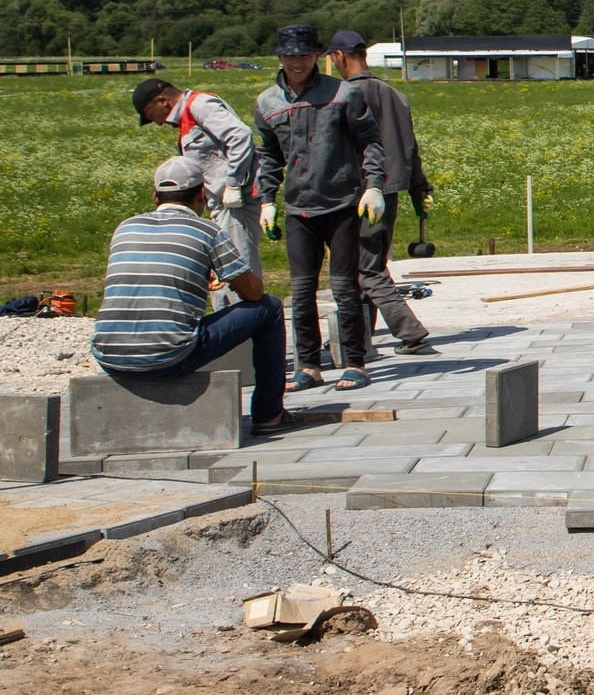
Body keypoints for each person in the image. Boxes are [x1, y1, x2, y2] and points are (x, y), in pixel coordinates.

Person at [91, 154, 294, 432]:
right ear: (202, 194)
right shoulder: (206, 230)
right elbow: (252, 293)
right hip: (168, 356)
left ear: (155, 196)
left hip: (108, 357)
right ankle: (269, 415)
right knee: (270, 308)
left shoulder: (126, 227)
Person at [253, 23, 386, 393]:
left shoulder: (342, 94)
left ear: (317, 57)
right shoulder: (267, 103)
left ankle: (356, 361)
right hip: (298, 208)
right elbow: (267, 155)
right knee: (300, 290)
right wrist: (267, 200)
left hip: (342, 202)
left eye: (304, 55)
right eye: (290, 56)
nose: (297, 63)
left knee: (344, 287)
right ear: (279, 57)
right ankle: (308, 364)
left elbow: (371, 141)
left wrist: (373, 185)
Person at [329, 31, 435, 356]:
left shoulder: (346, 94)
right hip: (392, 192)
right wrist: (420, 190)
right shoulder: (395, 94)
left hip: (363, 192)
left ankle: (410, 330)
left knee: (366, 268)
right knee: (369, 262)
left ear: (339, 57)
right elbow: (410, 147)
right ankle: (358, 342)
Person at [132, 76, 262, 278]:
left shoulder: (198, 105)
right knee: (222, 267)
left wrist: (233, 184)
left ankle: (246, 309)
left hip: (235, 203)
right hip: (221, 202)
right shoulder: (186, 117)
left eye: (150, 115)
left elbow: (240, 135)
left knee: (235, 267)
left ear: (162, 101)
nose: (156, 123)